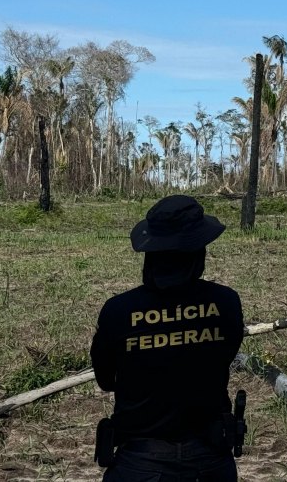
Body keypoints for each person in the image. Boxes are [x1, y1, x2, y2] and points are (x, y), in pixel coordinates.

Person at [91, 195, 245, 482]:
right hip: (210, 458)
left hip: (139, 459)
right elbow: (225, 356)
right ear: (198, 253)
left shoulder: (119, 310)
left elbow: (105, 380)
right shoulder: (226, 302)